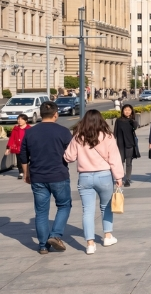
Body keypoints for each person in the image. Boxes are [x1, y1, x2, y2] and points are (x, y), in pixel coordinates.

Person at [64, 110, 125, 255]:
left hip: (84, 177)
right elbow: (114, 158)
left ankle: (90, 244)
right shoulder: (108, 136)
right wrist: (118, 177)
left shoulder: (78, 137)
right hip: (104, 175)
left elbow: (68, 157)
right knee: (106, 207)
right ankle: (107, 236)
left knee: (88, 210)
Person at [20, 101, 73, 254]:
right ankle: (55, 235)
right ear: (56, 114)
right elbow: (71, 154)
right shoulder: (63, 131)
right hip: (59, 175)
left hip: (37, 176)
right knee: (64, 205)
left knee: (41, 212)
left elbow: (23, 156)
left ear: (41, 114)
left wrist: (26, 173)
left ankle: (43, 245)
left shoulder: (30, 132)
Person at [114, 104, 140, 187]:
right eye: (125, 110)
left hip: (130, 144)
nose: (127, 111)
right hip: (120, 144)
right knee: (120, 162)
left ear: (131, 111)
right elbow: (115, 133)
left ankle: (127, 179)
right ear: (122, 111)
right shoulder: (118, 120)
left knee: (129, 163)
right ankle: (120, 178)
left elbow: (135, 127)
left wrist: (133, 121)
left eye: (129, 110)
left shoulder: (132, 121)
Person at [7, 114, 31, 179]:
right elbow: (12, 138)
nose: (19, 121)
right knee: (19, 161)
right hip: (18, 147)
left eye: (21, 119)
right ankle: (21, 172)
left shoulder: (29, 129)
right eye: (18, 119)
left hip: (28, 147)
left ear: (26, 120)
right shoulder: (15, 129)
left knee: (28, 160)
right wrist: (8, 148)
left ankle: (28, 172)